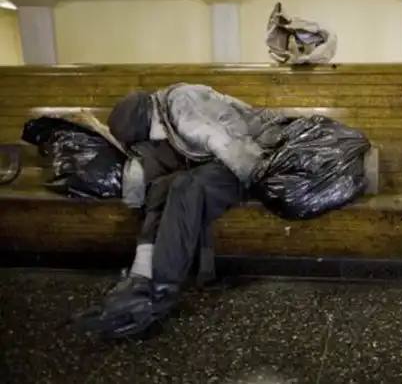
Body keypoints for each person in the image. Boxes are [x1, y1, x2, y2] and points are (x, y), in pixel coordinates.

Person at [74, 83, 285, 338]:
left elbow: (228, 146)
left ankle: (161, 292)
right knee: (161, 188)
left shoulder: (182, 105)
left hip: (252, 156)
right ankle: (140, 277)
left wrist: (262, 181)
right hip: (220, 161)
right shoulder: (159, 117)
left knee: (186, 187)